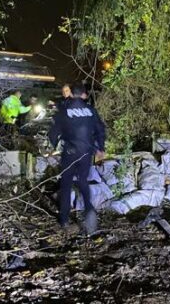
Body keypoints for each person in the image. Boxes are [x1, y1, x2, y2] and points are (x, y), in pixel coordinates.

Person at [49, 83, 106, 234]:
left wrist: (53, 145)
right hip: (86, 152)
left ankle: (64, 219)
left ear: (71, 94)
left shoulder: (64, 110)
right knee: (82, 181)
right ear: (83, 95)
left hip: (69, 151)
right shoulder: (90, 110)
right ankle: (89, 210)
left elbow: (53, 132)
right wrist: (100, 148)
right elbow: (100, 129)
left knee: (66, 184)